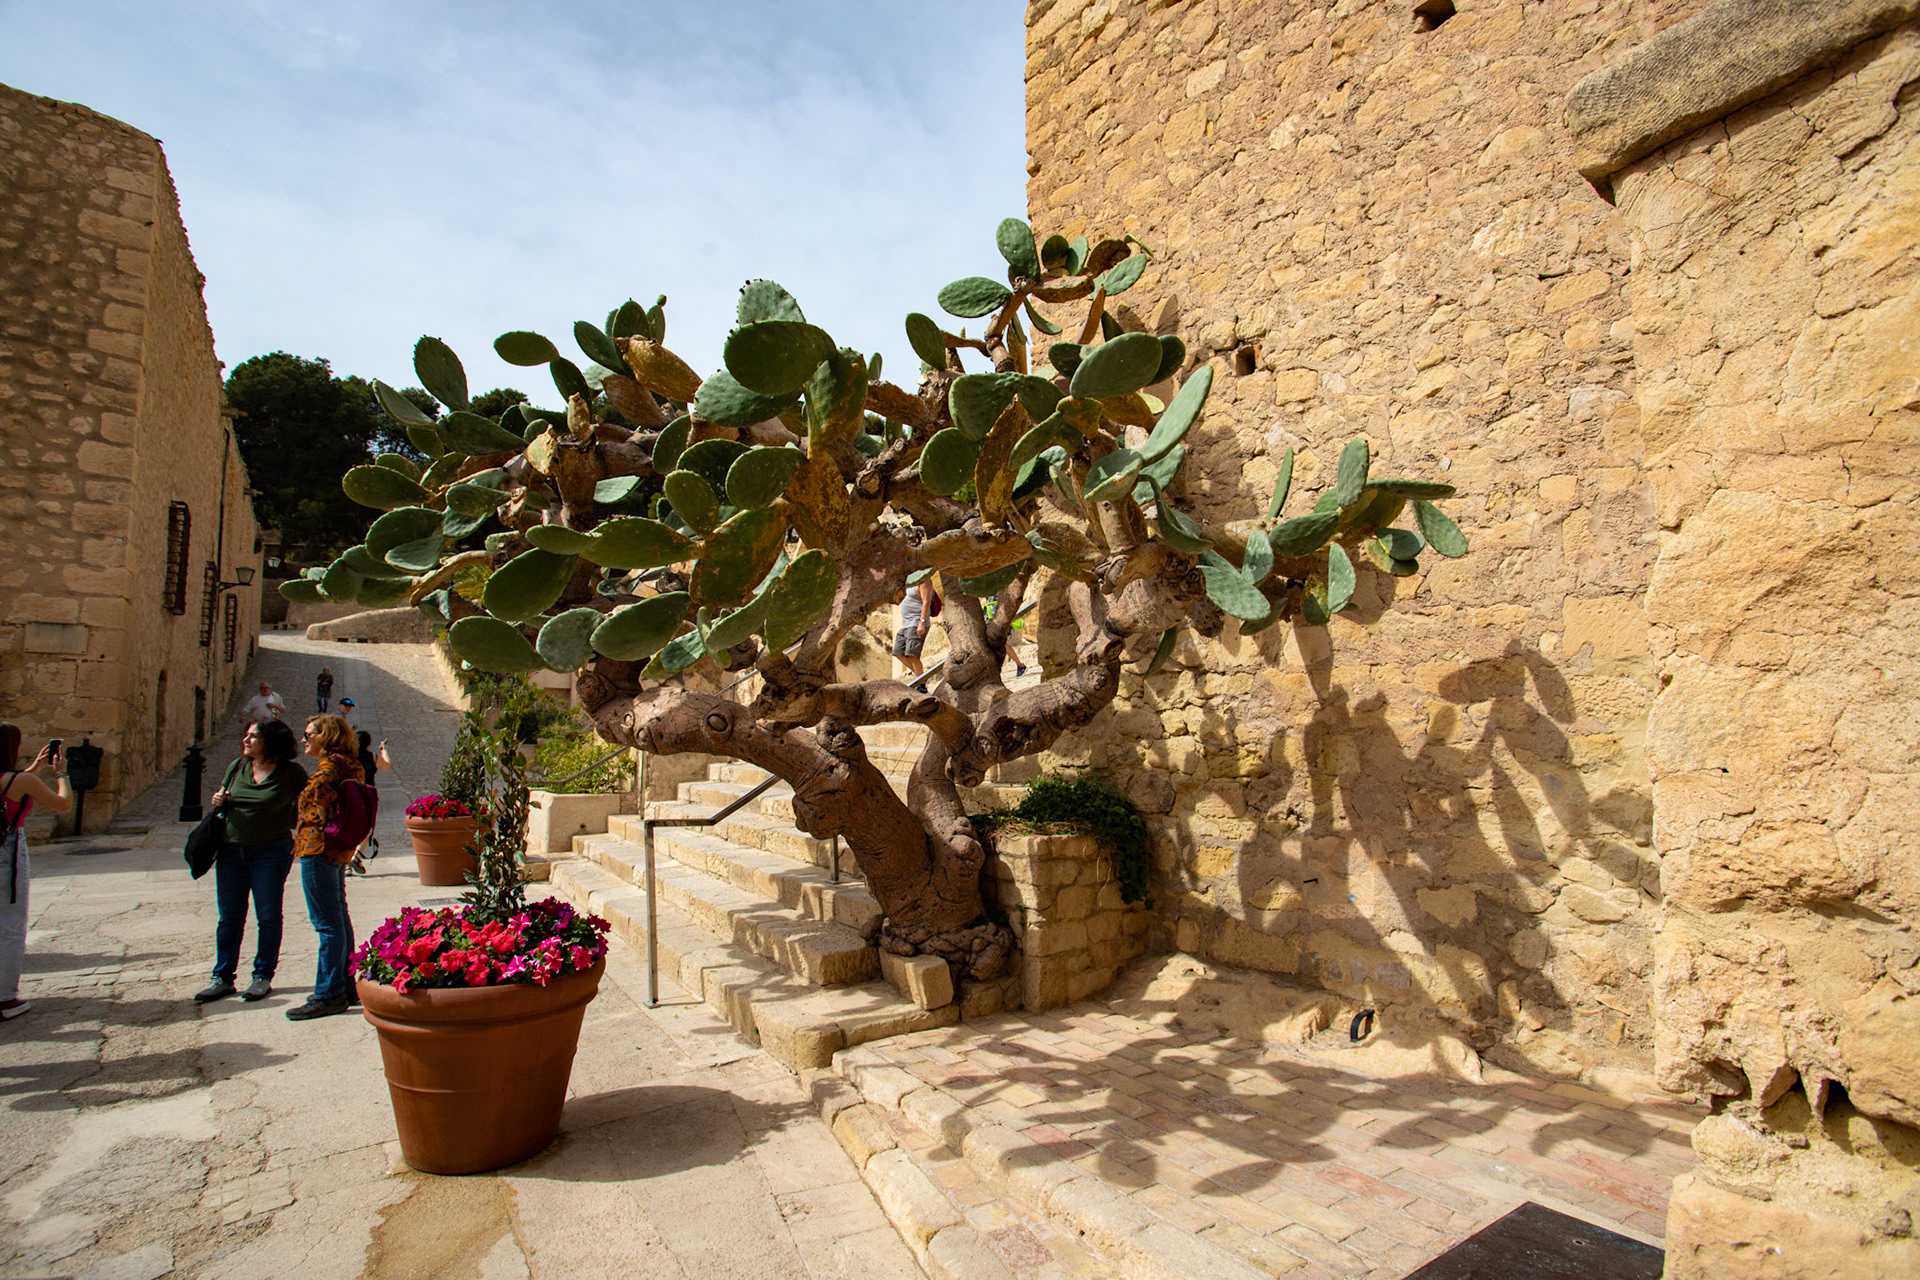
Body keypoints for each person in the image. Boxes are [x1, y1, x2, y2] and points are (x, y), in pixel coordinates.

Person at [196, 720, 307, 1004]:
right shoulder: (237, 767)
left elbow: (310, 806)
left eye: (253, 736)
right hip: (231, 852)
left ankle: (262, 975)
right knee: (229, 918)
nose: (246, 739)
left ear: (270, 741)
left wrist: (299, 836)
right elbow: (223, 795)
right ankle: (222, 977)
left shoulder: (290, 773)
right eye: (246, 734)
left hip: (270, 853)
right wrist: (219, 799)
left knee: (268, 916)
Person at [287, 714, 363, 1020]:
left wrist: (316, 822)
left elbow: (318, 796)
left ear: (326, 736)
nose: (305, 739)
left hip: (318, 846)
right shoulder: (351, 762)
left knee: (327, 923)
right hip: (337, 848)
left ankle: (328, 992)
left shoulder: (329, 765)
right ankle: (344, 984)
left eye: (310, 734)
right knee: (338, 917)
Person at [1, 724, 74, 1021]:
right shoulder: (22, 781)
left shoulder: (20, 779)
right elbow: (64, 803)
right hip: (8, 849)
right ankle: (5, 997)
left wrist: (33, 769)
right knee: (10, 924)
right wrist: (61, 773)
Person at [348, 730, 391, 876]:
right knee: (367, 829)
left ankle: (347, 864)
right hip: (367, 795)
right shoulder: (372, 757)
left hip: (350, 794)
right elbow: (386, 765)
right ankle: (356, 856)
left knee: (349, 828)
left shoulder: (348, 758)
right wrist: (384, 750)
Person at [893, 579, 935, 678]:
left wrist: (922, 622)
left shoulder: (924, 581)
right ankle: (922, 677)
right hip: (906, 624)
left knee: (912, 655)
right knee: (898, 652)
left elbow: (926, 602)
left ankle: (922, 683)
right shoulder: (910, 582)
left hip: (916, 622)